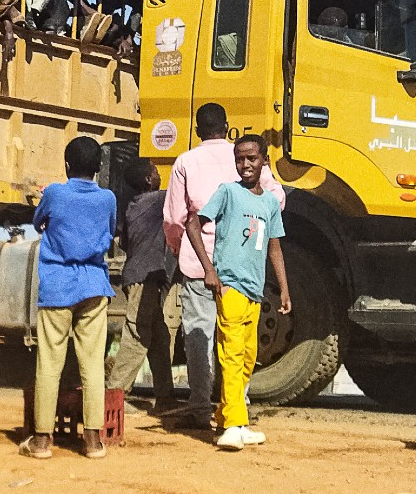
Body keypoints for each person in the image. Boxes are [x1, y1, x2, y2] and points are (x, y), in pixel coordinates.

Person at [161, 103, 285, 427]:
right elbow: (276, 198)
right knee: (241, 339)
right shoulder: (248, 157)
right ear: (228, 127)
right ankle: (236, 406)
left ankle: (201, 408)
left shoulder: (186, 161)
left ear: (198, 130)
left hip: (199, 262)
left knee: (199, 333)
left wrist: (178, 250)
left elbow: (175, 218)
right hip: (242, 262)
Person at [185, 135, 292, 452]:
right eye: (240, 159)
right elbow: (193, 224)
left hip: (255, 290)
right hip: (229, 285)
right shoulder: (228, 192)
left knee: (247, 358)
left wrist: (284, 289)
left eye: (251, 159)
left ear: (265, 160)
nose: (245, 165)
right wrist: (209, 269)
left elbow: (275, 247)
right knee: (230, 355)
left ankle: (231, 418)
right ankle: (232, 426)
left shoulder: (270, 203)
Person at [20, 137, 118, 460]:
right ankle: (92, 442)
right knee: (92, 364)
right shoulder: (107, 198)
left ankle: (42, 441)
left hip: (58, 284)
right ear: (99, 168)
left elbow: (38, 222)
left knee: (49, 363)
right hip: (94, 284)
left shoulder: (55, 193)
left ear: (66, 166)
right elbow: (111, 229)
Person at [109, 160, 176, 412]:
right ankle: (115, 394)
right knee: (137, 334)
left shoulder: (133, 206)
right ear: (149, 180)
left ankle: (166, 398)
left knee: (159, 337)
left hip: (141, 276)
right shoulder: (158, 200)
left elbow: (125, 242)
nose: (160, 175)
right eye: (156, 173)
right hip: (144, 278)